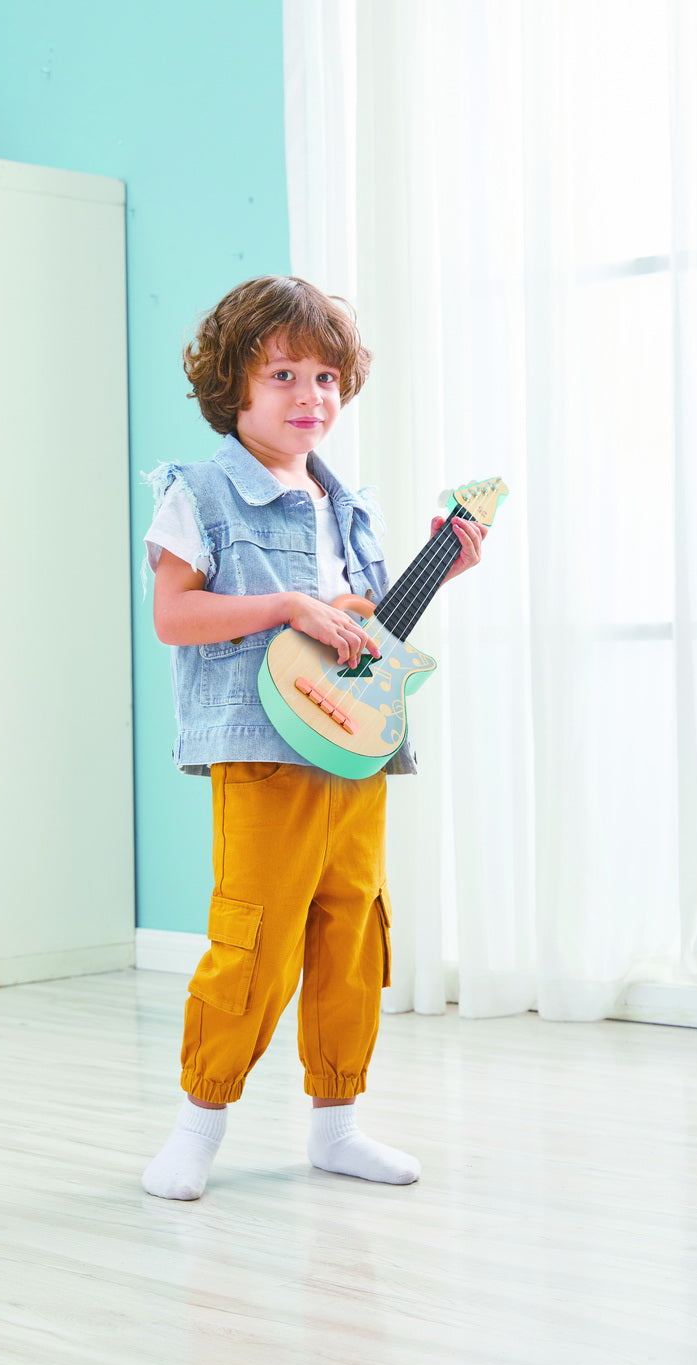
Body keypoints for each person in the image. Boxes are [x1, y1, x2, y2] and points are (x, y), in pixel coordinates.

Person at [142, 276, 485, 1200]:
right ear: (231, 386)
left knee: (351, 935)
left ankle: (337, 1126)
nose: (309, 396)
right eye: (283, 375)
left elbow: (367, 635)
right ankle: (196, 1127)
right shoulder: (199, 493)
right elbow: (174, 616)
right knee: (253, 942)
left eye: (325, 377)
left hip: (355, 750)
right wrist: (288, 605)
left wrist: (437, 571)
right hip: (262, 752)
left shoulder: (349, 505)